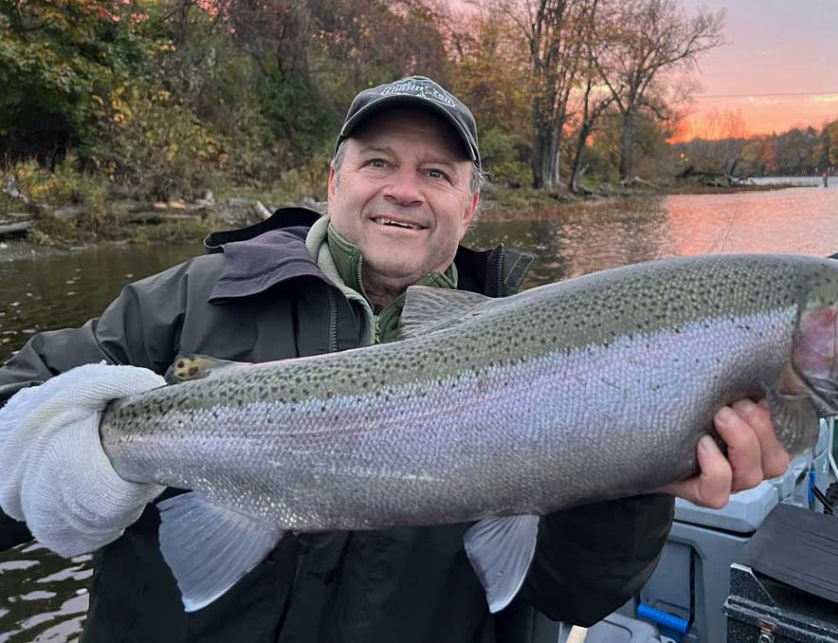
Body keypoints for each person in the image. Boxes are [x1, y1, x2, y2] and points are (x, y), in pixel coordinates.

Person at [0, 76, 790, 643]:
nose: (405, 191)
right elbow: (15, 415)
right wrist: (66, 461)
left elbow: (573, 597)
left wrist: (637, 478)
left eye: (436, 173)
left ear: (470, 207)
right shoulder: (187, 300)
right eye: (379, 162)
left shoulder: (556, 354)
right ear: (333, 181)